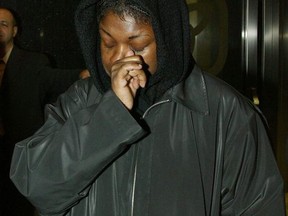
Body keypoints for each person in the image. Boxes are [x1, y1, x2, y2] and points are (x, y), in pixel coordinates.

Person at [9, 0, 285, 215]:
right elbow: (36, 185)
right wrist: (109, 115)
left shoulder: (225, 110)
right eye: (107, 43)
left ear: (168, 40)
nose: (120, 58)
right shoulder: (81, 98)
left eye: (137, 45)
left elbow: (257, 205)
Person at [0, 6, 89, 216]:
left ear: (14, 31)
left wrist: (83, 74)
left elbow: (56, 79)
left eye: (3, 24)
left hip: (18, 153)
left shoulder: (33, 63)